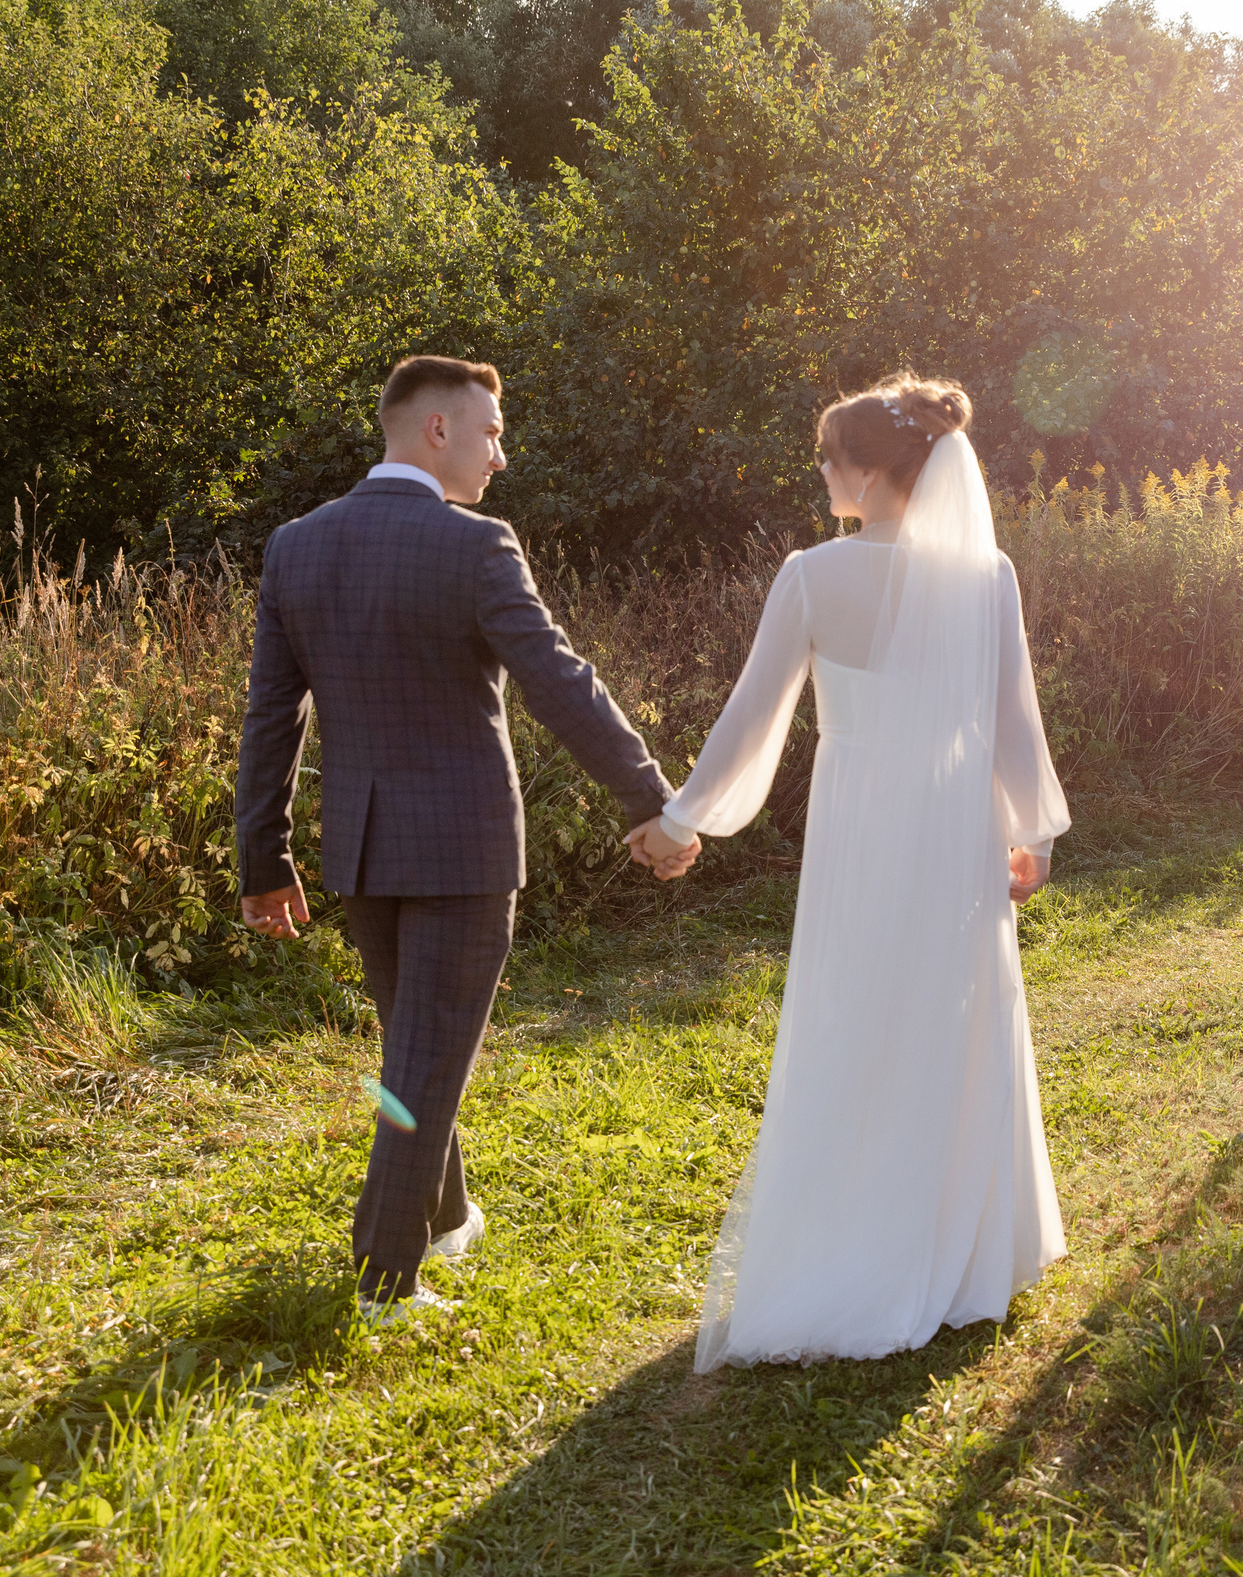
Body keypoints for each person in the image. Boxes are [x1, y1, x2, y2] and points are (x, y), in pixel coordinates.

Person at [234, 355, 699, 1327]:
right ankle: (382, 1280)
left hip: (361, 852)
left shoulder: (296, 546)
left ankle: (445, 1218)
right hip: (462, 854)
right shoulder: (475, 547)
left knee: (416, 1049)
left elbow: (272, 719)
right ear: (434, 430)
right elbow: (560, 683)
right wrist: (651, 800)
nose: (501, 453)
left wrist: (263, 858)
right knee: (426, 1062)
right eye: (489, 432)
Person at [638, 372, 1071, 1372]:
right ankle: (960, 1256)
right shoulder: (987, 575)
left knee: (854, 1013)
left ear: (873, 475)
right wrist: (1031, 834)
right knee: (952, 1017)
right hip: (955, 825)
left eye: (832, 459)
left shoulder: (812, 576)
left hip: (862, 824)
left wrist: (680, 818)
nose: (823, 474)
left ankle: (854, 1240)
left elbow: (752, 720)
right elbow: (1012, 723)